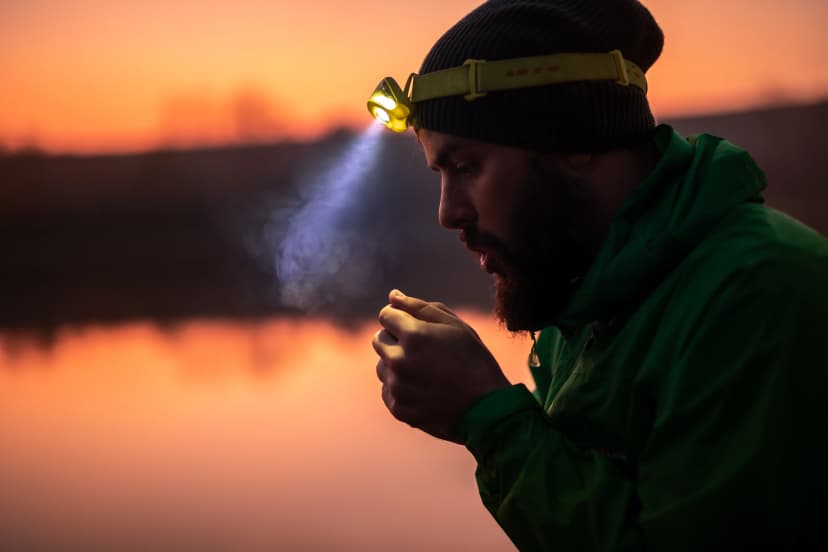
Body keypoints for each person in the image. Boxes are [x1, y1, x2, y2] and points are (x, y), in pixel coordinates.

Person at [369, 1, 828, 549]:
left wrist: (489, 417)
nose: (449, 213)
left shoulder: (759, 291)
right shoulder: (596, 294)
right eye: (441, 174)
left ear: (574, 139)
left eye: (466, 167)